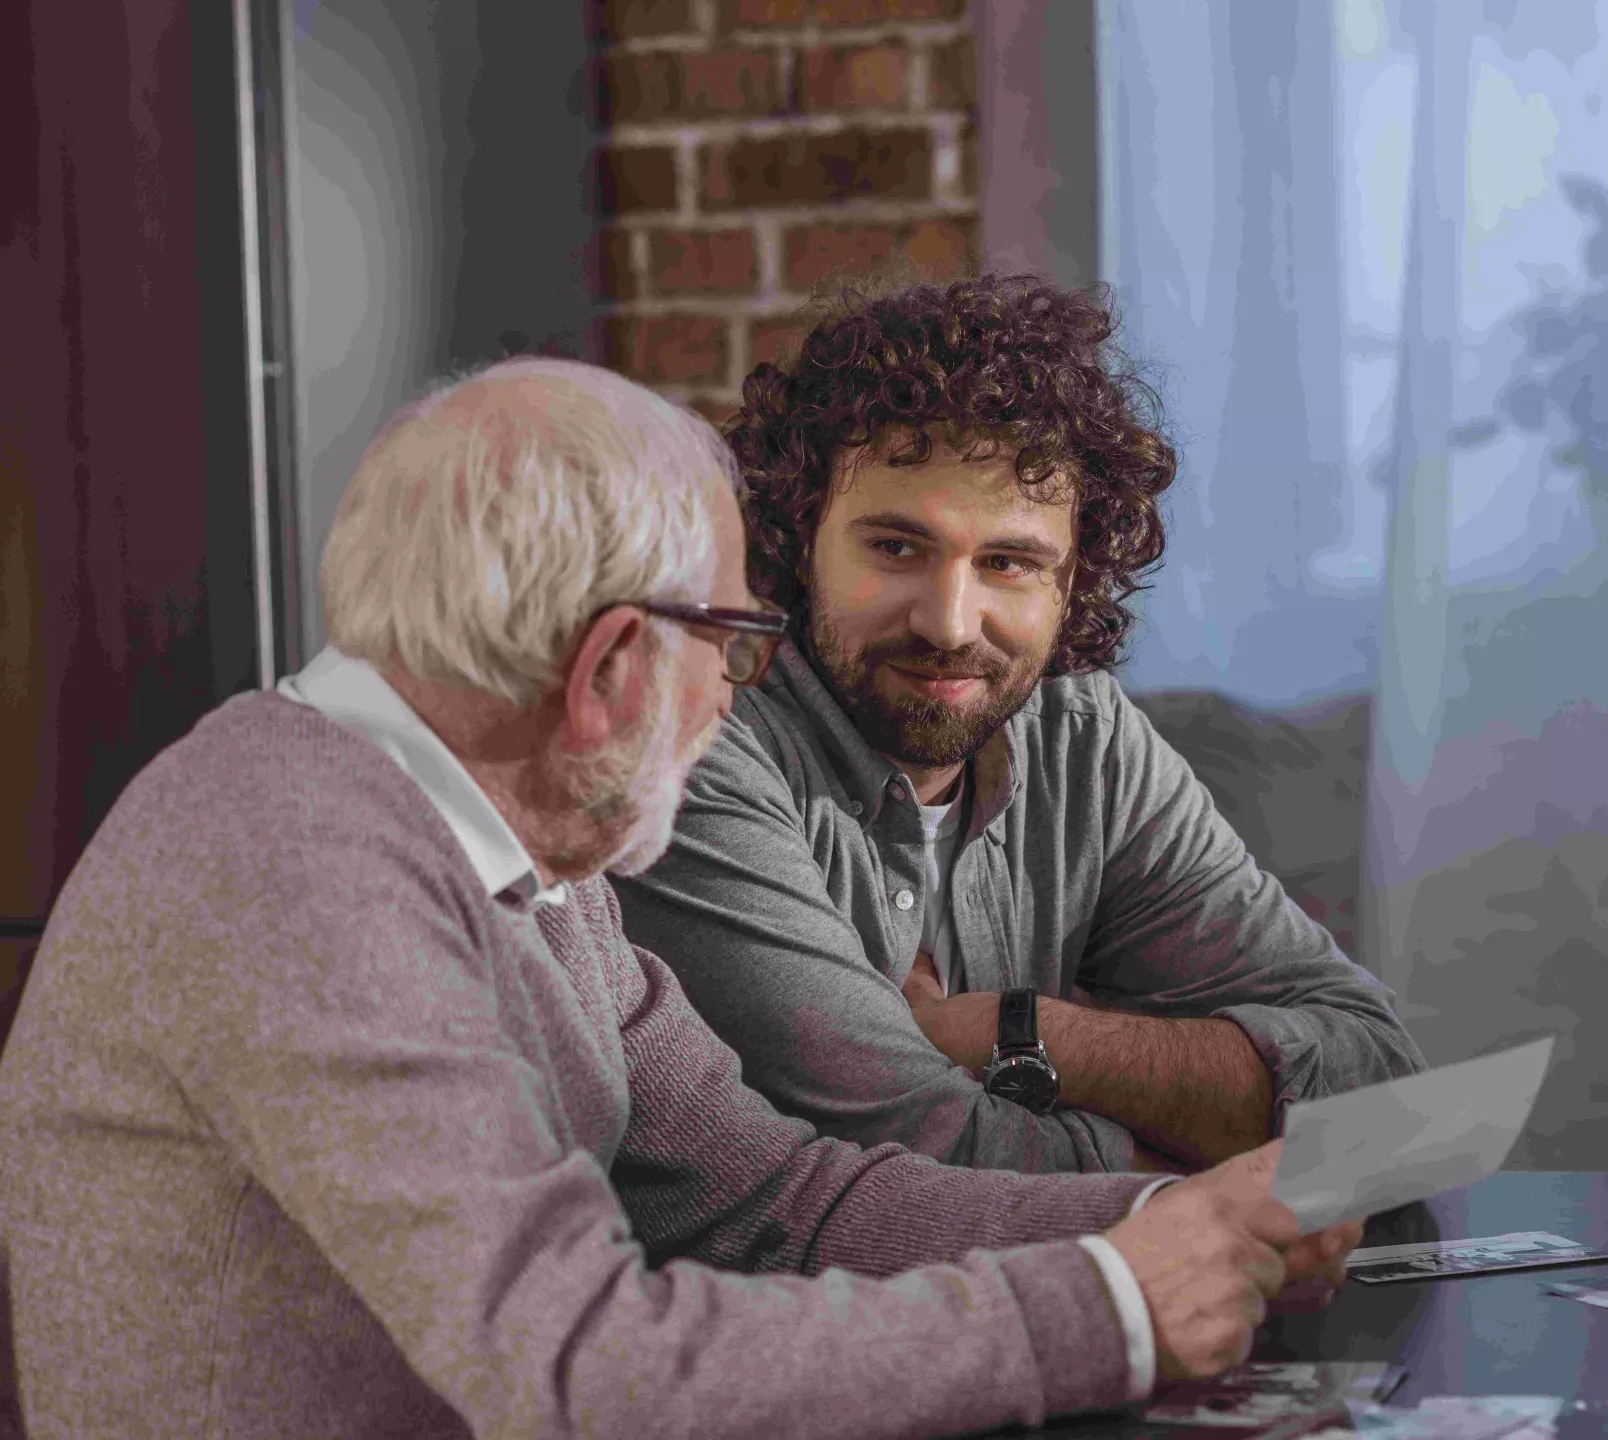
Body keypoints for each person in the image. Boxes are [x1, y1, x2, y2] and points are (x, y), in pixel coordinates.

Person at [0, 359, 1362, 1440]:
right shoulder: (298, 871)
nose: (734, 690)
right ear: (611, 667)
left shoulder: (528, 856)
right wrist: (1106, 1307)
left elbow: (774, 1201)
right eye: (734, 638)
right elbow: (582, 1369)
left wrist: (1163, 1223)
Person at [610, 275, 1426, 1175]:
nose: (949, 623)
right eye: (895, 548)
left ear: (1071, 581)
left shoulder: (1083, 739)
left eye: (1008, 562)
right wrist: (1215, 1161)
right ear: (801, 540)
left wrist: (1020, 1034)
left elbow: (1382, 1099)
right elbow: (914, 1160)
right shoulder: (703, 742)